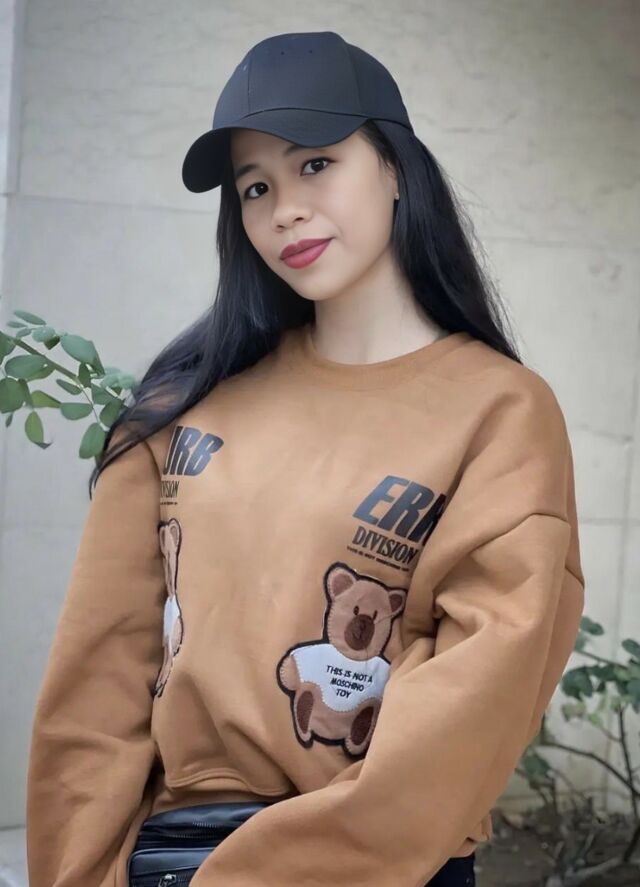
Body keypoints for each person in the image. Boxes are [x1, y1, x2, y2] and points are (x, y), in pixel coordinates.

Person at [25, 30, 585, 887]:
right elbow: (96, 685)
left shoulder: (499, 412)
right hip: (171, 854)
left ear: (396, 168)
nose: (283, 208)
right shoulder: (184, 406)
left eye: (315, 164)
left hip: (378, 864)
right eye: (255, 186)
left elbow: (468, 712)